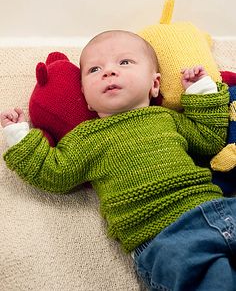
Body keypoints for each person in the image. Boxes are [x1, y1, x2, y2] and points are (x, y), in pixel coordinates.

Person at [0, 30, 234, 291]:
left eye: (124, 63)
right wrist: (19, 136)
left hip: (217, 207)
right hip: (165, 236)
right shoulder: (86, 138)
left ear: (154, 84)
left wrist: (200, 91)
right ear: (86, 99)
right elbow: (54, 172)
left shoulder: (165, 117)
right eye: (94, 69)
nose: (108, 72)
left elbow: (207, 139)